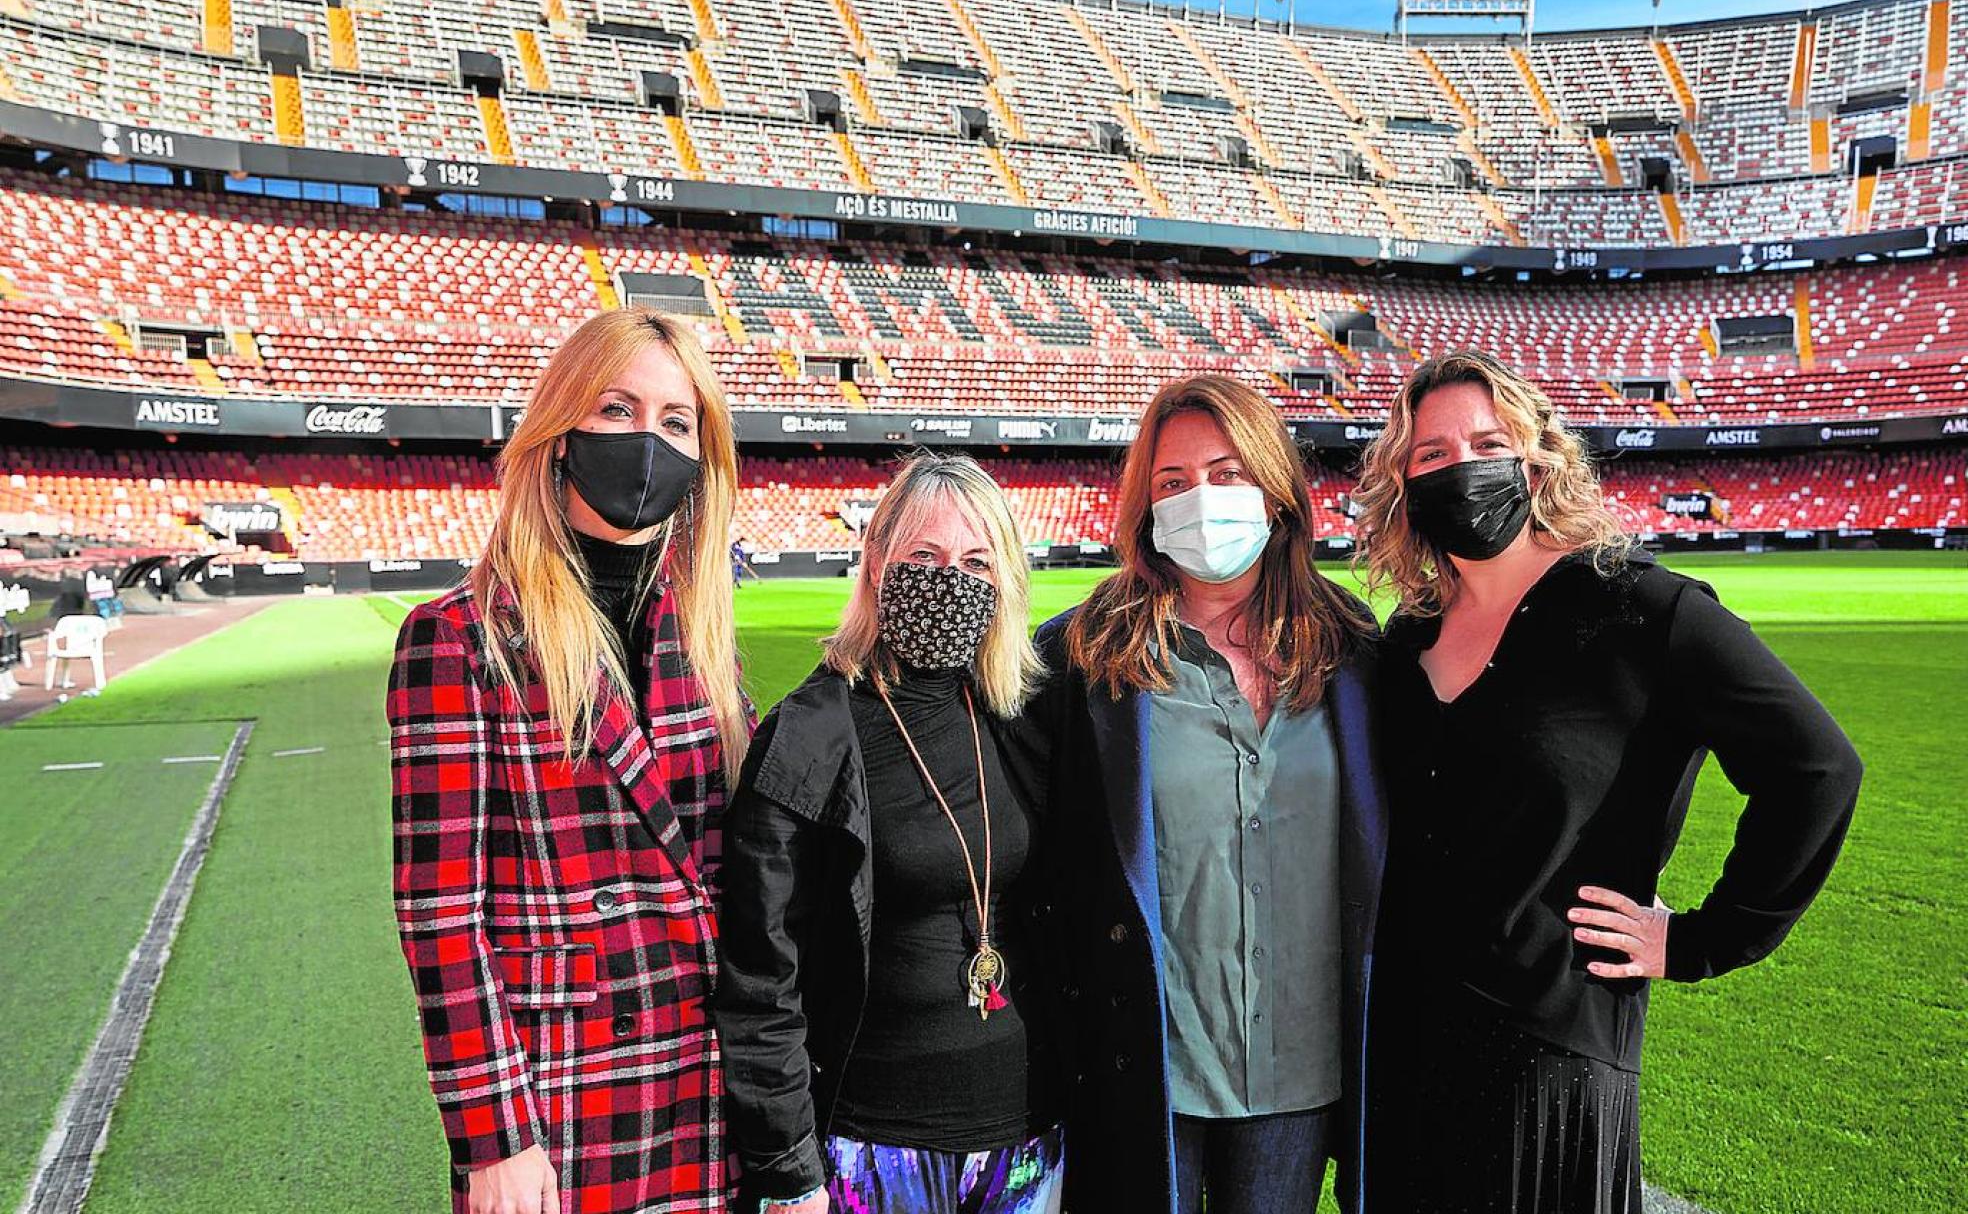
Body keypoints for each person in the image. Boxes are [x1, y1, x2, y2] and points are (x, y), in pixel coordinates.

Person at [1349, 350, 1863, 1212]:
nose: (1463, 468)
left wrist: (1703, 940)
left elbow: (1817, 767)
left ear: (1539, 457)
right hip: (1401, 1042)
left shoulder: (1644, 612)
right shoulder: (1407, 638)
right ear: (1402, 483)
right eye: (1431, 455)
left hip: (1547, 1052)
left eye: (1488, 441)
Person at [386, 309, 752, 1214]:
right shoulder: (460, 637)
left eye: (675, 423)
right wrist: (494, 1138)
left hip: (718, 1078)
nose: (646, 443)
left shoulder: (702, 634)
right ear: (558, 435)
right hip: (565, 1094)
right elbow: (441, 919)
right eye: (616, 410)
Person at [1031, 374, 1384, 1214]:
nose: (1202, 501)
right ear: (1144, 508)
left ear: (1276, 490)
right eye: (1173, 483)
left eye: (1228, 474)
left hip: (1302, 1080)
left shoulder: (1356, 654)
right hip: (1146, 1073)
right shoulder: (1079, 658)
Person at [715, 452, 1068, 1214]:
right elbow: (759, 976)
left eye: (977, 561)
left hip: (1025, 1142)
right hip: (870, 1148)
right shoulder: (810, 737)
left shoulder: (1021, 718)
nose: (951, 579)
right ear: (875, 563)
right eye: (925, 556)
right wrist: (789, 1171)